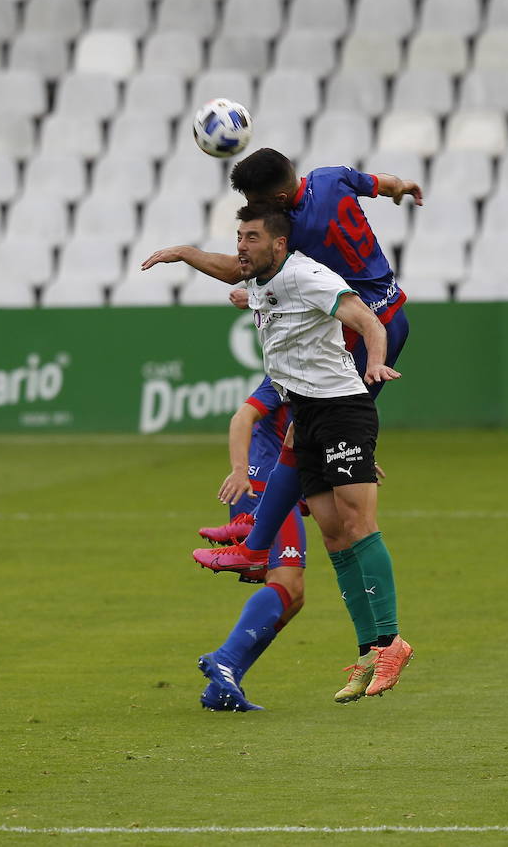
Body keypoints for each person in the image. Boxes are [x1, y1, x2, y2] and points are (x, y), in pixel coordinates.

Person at [142, 148, 422, 581]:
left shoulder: (294, 228)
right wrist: (401, 187)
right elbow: (380, 183)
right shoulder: (330, 177)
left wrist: (185, 253)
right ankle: (272, 520)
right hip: (391, 312)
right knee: (301, 433)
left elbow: (241, 269)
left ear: (275, 199)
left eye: (256, 202)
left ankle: (257, 533)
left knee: (293, 429)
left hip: (361, 328)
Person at [195, 203, 413, 710]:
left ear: (277, 243)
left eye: (251, 237)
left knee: (359, 525)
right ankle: (367, 652)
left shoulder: (310, 275)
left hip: (341, 407)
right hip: (307, 418)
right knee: (335, 535)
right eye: (238, 236)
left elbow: (368, 321)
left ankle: (392, 641)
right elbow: (245, 287)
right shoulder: (265, 282)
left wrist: (376, 364)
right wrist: (190, 258)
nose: (240, 246)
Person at [195, 375, 309, 711]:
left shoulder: (325, 367)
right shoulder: (291, 368)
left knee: (294, 596)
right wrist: (239, 470)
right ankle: (225, 660)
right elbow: (243, 416)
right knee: (288, 583)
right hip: (263, 485)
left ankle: (222, 686)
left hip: (281, 482)